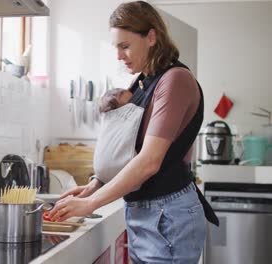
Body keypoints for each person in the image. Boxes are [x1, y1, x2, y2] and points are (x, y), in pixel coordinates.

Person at [49, 1, 218, 263]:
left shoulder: (175, 80)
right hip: (145, 213)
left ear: (151, 37)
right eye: (116, 47)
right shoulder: (141, 83)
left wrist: (90, 204)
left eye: (125, 46)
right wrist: (95, 185)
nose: (119, 55)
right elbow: (128, 152)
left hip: (168, 215)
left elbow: (149, 161)